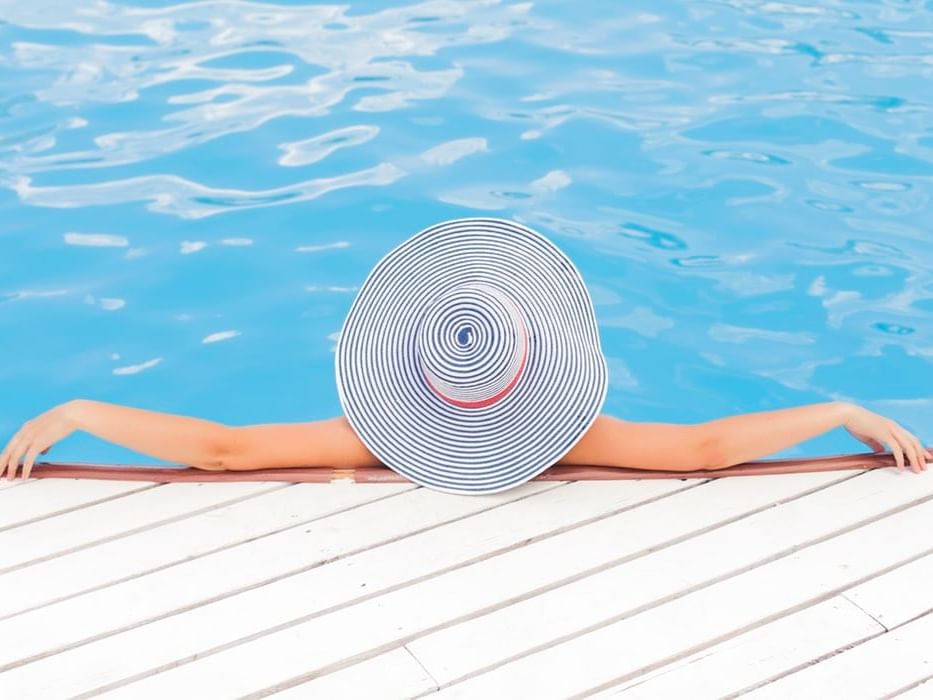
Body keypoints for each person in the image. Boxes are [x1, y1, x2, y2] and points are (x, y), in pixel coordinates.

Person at [1, 398, 930, 481]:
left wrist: (81, 412)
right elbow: (698, 448)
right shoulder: (561, 436)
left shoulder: (382, 435)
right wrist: (836, 412)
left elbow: (223, 451)